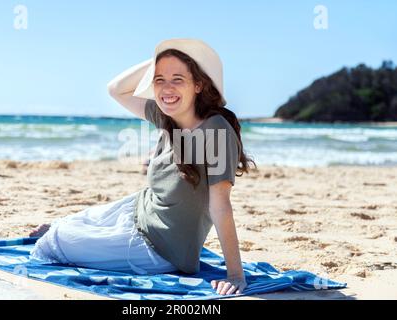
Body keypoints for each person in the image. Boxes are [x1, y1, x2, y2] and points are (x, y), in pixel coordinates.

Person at [29, 38, 256, 296]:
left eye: (178, 79)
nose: (166, 88)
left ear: (198, 85)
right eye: (159, 79)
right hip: (138, 208)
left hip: (161, 248)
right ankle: (69, 225)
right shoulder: (166, 115)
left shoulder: (215, 129)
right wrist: (161, 59)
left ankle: (64, 230)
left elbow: (220, 205)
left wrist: (235, 274)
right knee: (70, 222)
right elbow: (116, 89)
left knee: (53, 243)